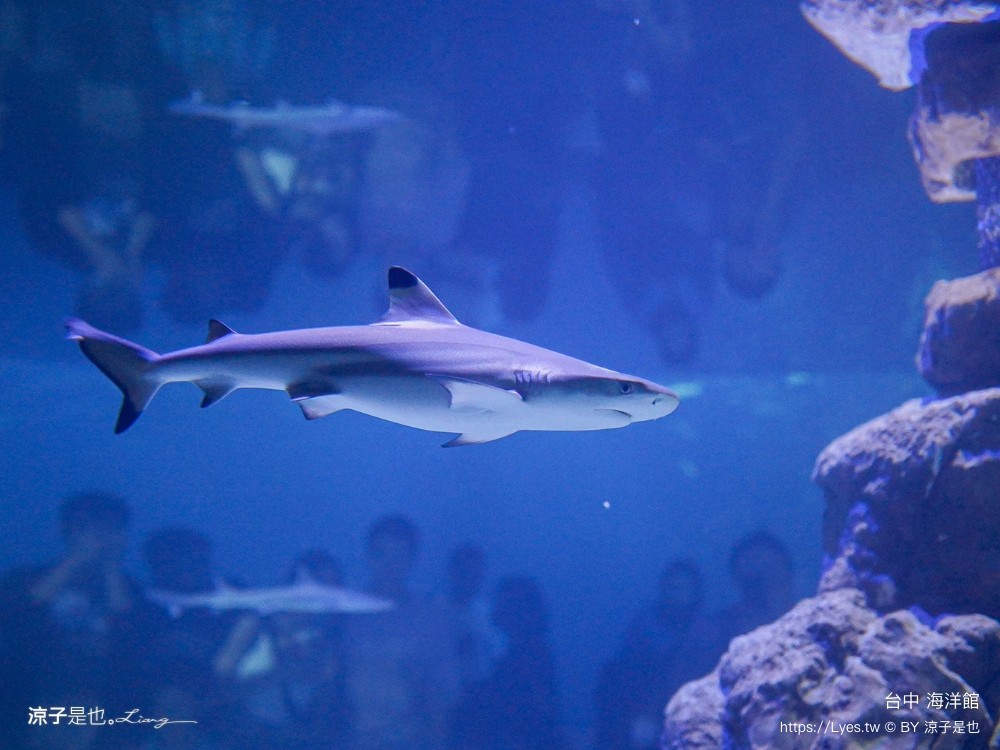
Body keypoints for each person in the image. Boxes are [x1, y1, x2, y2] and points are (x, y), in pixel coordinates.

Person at [0, 492, 159, 750]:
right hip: (30, 693)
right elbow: (15, 620)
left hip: (102, 698)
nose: (101, 537)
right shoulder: (25, 579)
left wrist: (111, 570)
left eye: (112, 529)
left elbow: (135, 639)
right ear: (68, 531)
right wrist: (74, 560)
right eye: (90, 528)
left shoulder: (133, 590)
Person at [341, 514, 459, 750]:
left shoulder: (430, 619)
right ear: (368, 557)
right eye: (380, 555)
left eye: (399, 556)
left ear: (412, 560)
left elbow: (443, 692)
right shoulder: (345, 615)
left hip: (410, 740)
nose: (389, 565)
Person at [593, 559, 707, 750]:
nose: (679, 594)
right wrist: (642, 715)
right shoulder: (644, 628)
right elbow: (628, 674)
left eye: (686, 587)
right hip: (639, 715)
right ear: (663, 589)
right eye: (674, 587)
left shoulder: (706, 630)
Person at [453, 575, 565, 750]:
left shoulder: (528, 656)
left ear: (517, 609)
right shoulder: (528, 651)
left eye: (500, 602)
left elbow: (508, 705)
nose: (494, 608)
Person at [440, 543, 505, 688]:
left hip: (483, 694)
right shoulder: (432, 611)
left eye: (475, 571)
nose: (470, 577)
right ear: (452, 572)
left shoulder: (491, 615)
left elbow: (500, 654)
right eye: (464, 570)